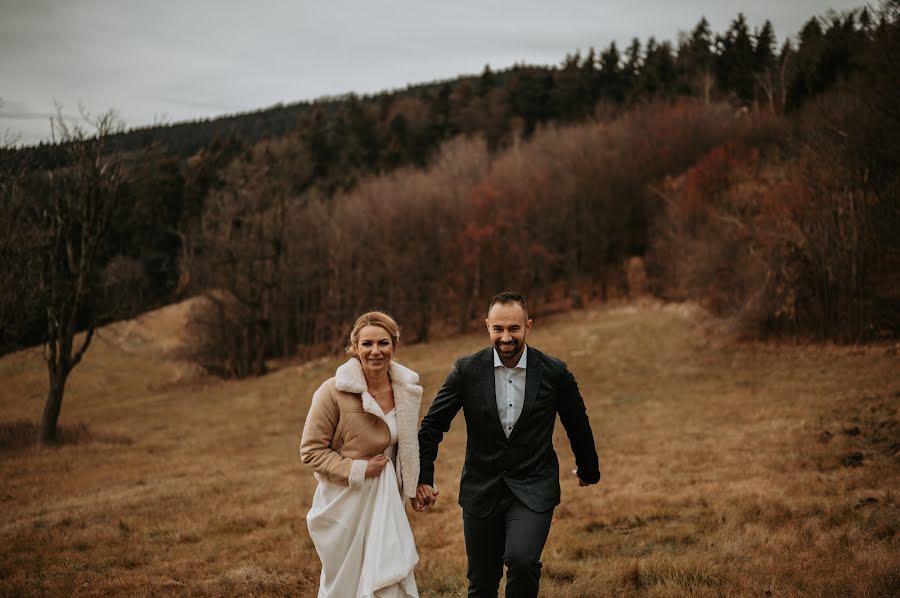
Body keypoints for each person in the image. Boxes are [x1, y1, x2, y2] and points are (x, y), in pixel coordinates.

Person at [416, 291, 601, 598]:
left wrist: (588, 470)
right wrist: (423, 476)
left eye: (513, 328)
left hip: (534, 486)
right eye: (498, 329)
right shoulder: (466, 371)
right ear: (487, 326)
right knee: (482, 583)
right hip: (481, 488)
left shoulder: (554, 373)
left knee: (523, 560)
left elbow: (577, 422)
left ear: (528, 326)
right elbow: (433, 425)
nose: (506, 337)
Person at [300, 311, 423, 597]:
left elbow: (409, 445)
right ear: (354, 347)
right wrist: (358, 470)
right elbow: (311, 450)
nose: (375, 351)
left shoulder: (407, 390)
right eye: (367, 344)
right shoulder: (331, 391)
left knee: (387, 577)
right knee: (344, 584)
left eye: (383, 343)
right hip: (346, 500)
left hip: (387, 498)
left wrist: (417, 487)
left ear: (394, 346)